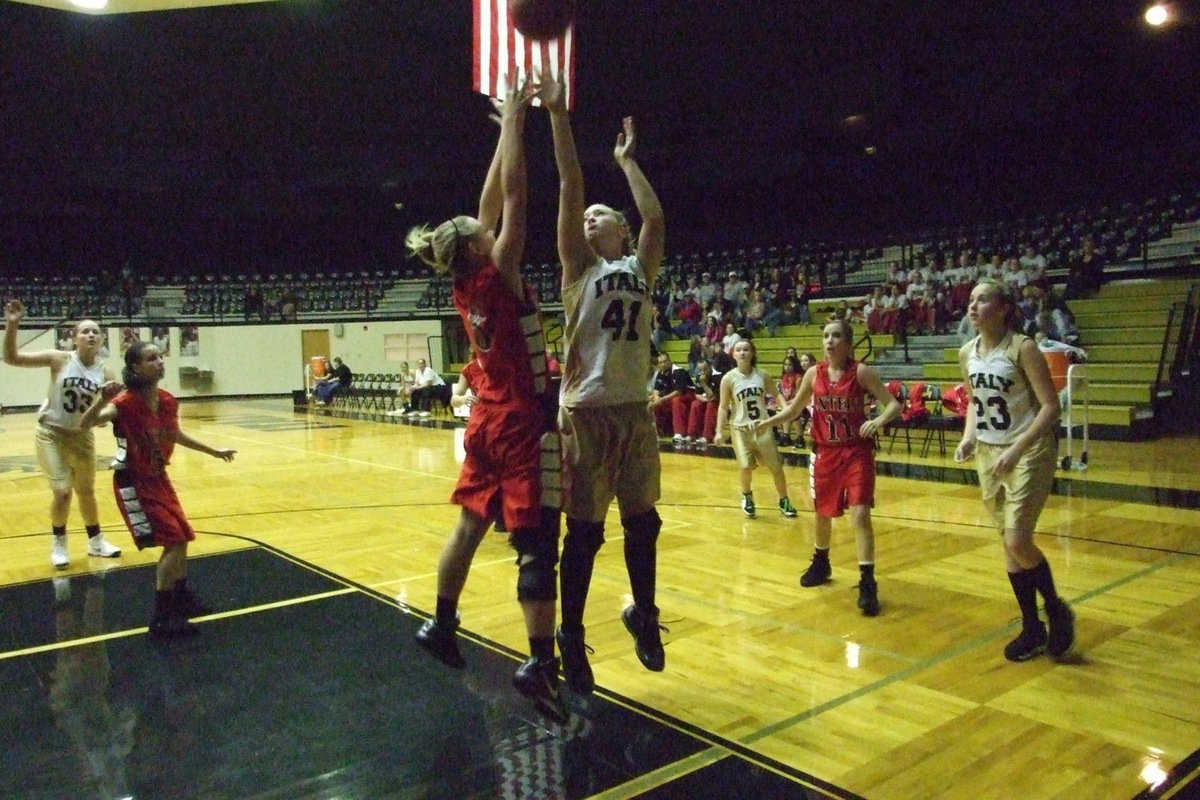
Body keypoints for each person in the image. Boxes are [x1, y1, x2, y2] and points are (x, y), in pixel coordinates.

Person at [404, 78, 566, 721]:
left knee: (469, 524)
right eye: (480, 227)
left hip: (484, 417)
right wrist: (520, 125)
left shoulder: (466, 279)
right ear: (476, 244)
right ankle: (539, 662)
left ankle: (442, 625)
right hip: (521, 419)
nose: (485, 219)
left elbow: (489, 201)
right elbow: (516, 198)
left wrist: (507, 125)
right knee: (534, 543)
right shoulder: (497, 270)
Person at [544, 73, 668, 695]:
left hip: (633, 411)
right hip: (587, 412)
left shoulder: (640, 264)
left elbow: (654, 214)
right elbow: (569, 184)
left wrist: (627, 161)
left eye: (599, 217)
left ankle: (644, 616)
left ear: (617, 230)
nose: (588, 220)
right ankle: (570, 636)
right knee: (586, 533)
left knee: (643, 523)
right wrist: (559, 117)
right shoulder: (577, 267)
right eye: (585, 219)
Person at [954, 279, 1075, 662]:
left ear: (1004, 308)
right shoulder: (966, 353)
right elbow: (975, 403)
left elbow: (1050, 408)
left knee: (1017, 541)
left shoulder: (1022, 348)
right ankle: (1031, 627)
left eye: (982, 299)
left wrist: (1017, 448)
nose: (973, 306)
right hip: (988, 453)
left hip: (1028, 448)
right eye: (971, 300)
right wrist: (969, 437)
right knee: (1008, 544)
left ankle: (1055, 610)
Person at [80, 341, 236, 638]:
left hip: (158, 477)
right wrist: (101, 400)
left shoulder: (166, 400)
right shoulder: (124, 403)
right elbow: (85, 424)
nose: (159, 362)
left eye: (160, 357)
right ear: (136, 367)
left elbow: (174, 434)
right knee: (174, 540)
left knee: (184, 535)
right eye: (151, 359)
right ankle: (162, 617)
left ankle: (180, 597)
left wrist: (214, 451)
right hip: (134, 481)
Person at [757, 319, 900, 616]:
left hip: (856, 451)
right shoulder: (813, 373)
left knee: (860, 514)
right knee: (822, 512)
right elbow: (795, 409)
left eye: (836, 336)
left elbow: (893, 405)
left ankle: (867, 581)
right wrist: (769, 422)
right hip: (825, 452)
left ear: (847, 342)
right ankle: (821, 562)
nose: (830, 341)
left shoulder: (860, 372)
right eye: (825, 336)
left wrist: (877, 421)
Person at [3, 300, 123, 568]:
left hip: (82, 435)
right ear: (74, 338)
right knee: (62, 492)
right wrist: (12, 324)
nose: (91, 335)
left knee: (87, 491)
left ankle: (96, 542)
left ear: (102, 339)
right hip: (51, 434)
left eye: (96, 331)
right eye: (85, 331)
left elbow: (104, 418)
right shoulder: (59, 359)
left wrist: (103, 402)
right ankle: (59, 541)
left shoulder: (106, 371)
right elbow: (11, 358)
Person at [714, 340, 798, 519]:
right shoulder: (728, 378)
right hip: (740, 429)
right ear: (733, 354)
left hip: (763, 427)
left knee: (776, 467)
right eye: (739, 350)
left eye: (746, 349)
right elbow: (723, 407)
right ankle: (747, 496)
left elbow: (777, 395)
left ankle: (784, 500)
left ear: (752, 353)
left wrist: (786, 410)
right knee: (745, 467)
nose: (742, 353)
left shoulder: (763, 375)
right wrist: (719, 431)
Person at [649, 352, 695, 442]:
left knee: (676, 401)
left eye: (665, 361)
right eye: (660, 363)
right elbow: (656, 389)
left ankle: (679, 433)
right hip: (671, 397)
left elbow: (679, 392)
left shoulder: (679, 371)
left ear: (670, 361)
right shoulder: (661, 373)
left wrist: (661, 399)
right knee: (654, 403)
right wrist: (656, 396)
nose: (663, 364)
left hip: (688, 396)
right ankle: (659, 431)